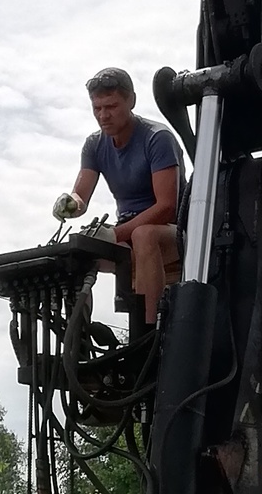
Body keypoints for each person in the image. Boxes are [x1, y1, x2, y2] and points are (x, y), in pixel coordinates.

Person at [52, 66, 184, 321]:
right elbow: (81, 197)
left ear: (131, 101)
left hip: (172, 234)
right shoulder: (94, 145)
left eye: (111, 107)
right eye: (97, 108)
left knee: (144, 235)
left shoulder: (157, 139)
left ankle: (147, 334)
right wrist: (70, 203)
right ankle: (77, 337)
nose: (103, 116)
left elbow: (167, 206)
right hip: (125, 235)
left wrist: (114, 234)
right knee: (76, 250)